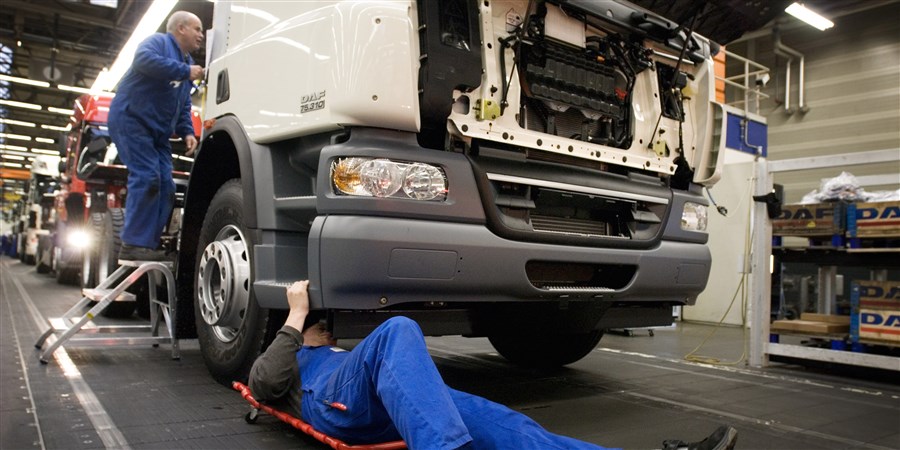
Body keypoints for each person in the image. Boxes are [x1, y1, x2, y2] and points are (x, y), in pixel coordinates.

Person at [249, 281, 739, 450]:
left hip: (380, 406)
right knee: (398, 329)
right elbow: (263, 383)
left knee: (509, 423)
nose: (328, 330)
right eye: (321, 326)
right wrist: (296, 320)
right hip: (336, 405)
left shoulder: (345, 354)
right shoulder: (295, 352)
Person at [109, 10, 204, 261]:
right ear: (180, 28)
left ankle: (146, 246)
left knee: (167, 185)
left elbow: (182, 104)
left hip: (157, 133)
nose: (201, 35)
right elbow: (143, 60)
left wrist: (187, 132)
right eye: (197, 29)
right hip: (132, 120)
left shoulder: (186, 62)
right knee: (148, 176)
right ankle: (132, 243)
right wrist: (185, 70)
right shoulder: (158, 43)